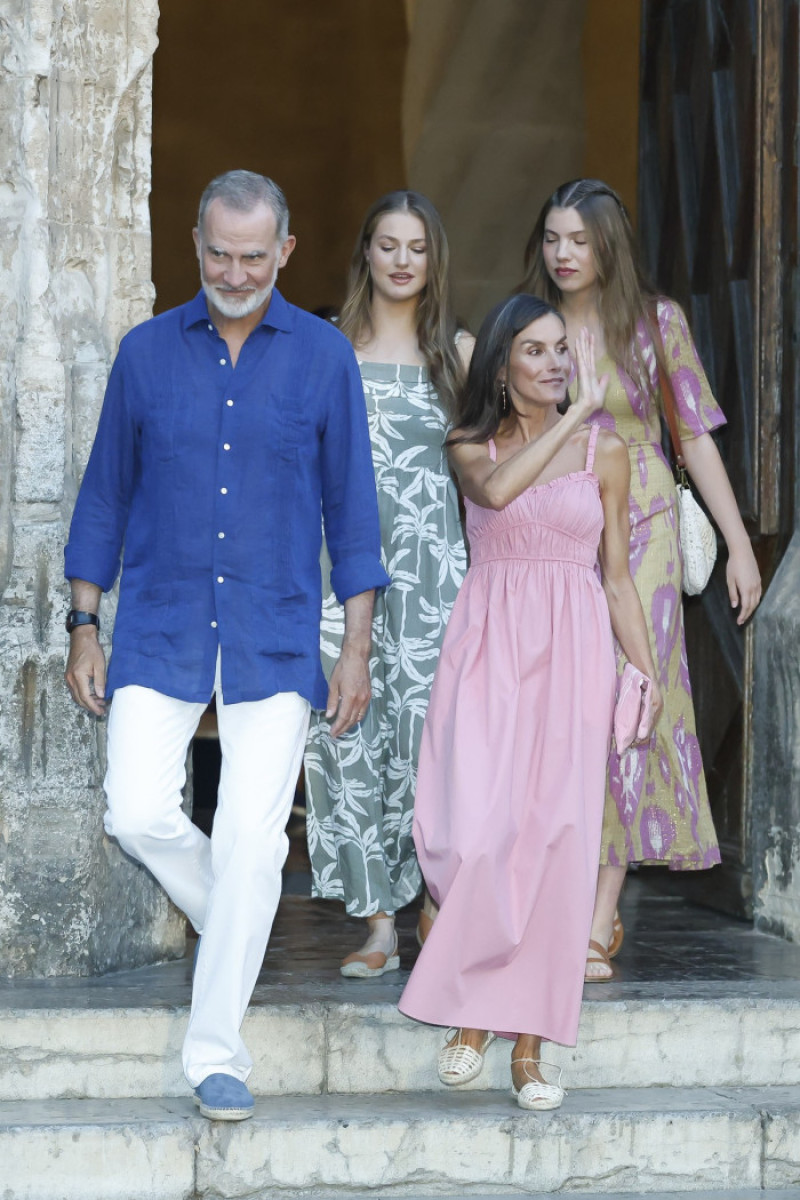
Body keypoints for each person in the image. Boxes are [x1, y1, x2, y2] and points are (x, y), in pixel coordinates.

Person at [63, 170, 390, 1120]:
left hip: (275, 630)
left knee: (253, 837)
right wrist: (84, 624)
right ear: (196, 246)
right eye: (219, 254)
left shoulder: (324, 358)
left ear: (284, 252)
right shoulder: (145, 353)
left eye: (253, 256)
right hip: (160, 622)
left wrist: (357, 647)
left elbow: (352, 511)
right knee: (134, 810)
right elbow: (103, 494)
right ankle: (237, 916)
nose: (235, 274)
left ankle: (215, 1055)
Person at [398, 295, 661, 1110]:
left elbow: (617, 577)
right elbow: (499, 491)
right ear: (502, 367)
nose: (554, 363)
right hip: (488, 649)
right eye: (535, 351)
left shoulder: (605, 452)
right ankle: (476, 1006)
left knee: (555, 841)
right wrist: (571, 417)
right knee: (475, 832)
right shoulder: (468, 443)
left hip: (574, 655)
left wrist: (646, 673)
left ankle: (527, 1047)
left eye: (560, 349)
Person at [518, 179, 762, 980]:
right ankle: (551, 891)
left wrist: (739, 544)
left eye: (579, 240)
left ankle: (598, 915)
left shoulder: (656, 323)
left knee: (631, 703)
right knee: (559, 711)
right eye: (552, 238)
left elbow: (693, 437)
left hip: (647, 531)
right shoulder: (532, 326)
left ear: (608, 245)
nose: (563, 254)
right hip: (559, 529)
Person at [304, 191, 473, 976]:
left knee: (429, 738)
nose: (403, 260)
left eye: (418, 247)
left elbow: (496, 472)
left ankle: (437, 901)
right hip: (338, 573)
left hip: (434, 574)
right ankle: (377, 924)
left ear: (434, 260)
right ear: (365, 254)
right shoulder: (327, 348)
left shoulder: (460, 356)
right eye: (388, 245)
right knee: (344, 734)